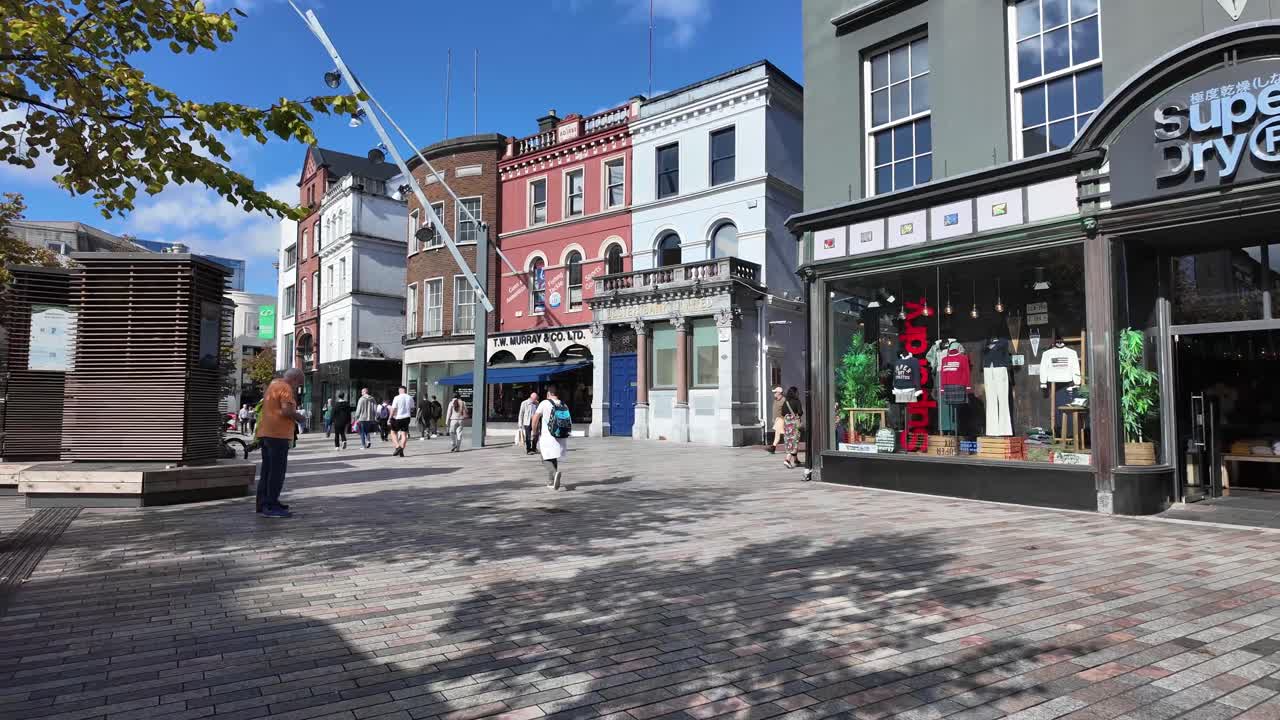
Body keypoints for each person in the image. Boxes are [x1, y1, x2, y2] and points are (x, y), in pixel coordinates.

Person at [256, 368, 306, 518]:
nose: (297, 388)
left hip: (266, 433)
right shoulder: (285, 388)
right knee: (277, 472)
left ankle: (263, 503)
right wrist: (300, 418)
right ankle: (270, 505)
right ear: (294, 380)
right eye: (299, 384)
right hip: (278, 435)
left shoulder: (273, 385)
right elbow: (287, 411)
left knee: (267, 471)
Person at [531, 384, 568, 490]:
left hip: (548, 436)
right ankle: (552, 481)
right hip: (560, 436)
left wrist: (534, 432)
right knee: (553, 457)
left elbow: (535, 418)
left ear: (548, 393)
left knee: (544, 458)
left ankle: (555, 474)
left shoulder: (544, 403)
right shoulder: (563, 404)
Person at [781, 386, 804, 469]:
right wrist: (796, 414)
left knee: (789, 441)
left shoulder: (785, 402)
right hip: (794, 425)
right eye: (797, 392)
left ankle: (796, 460)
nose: (798, 393)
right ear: (794, 393)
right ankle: (787, 460)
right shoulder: (797, 401)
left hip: (787, 425)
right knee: (794, 442)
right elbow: (800, 412)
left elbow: (783, 413)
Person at [390, 385, 414, 457]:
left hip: (398, 417)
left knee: (393, 432)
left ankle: (398, 447)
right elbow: (412, 408)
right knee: (404, 434)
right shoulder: (410, 397)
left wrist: (390, 417)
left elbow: (393, 408)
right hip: (407, 418)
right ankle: (401, 451)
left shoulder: (396, 397)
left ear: (400, 390)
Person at [768, 386, 785, 454]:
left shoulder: (784, 400)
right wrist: (773, 418)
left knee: (778, 433)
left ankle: (773, 447)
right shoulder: (775, 400)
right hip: (777, 420)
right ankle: (773, 447)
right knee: (779, 433)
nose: (774, 393)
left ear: (779, 393)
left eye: (775, 392)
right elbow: (775, 410)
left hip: (782, 419)